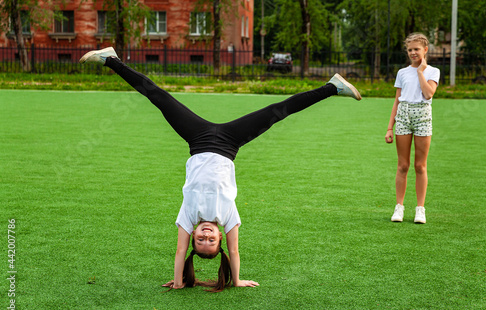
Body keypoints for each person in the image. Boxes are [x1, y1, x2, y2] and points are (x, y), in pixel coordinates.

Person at [80, 47, 362, 291]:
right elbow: (235, 251)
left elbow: (180, 251)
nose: (205, 235)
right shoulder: (228, 217)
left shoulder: (188, 217)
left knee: (159, 97)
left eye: (200, 239)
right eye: (211, 239)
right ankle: (332, 87)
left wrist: (179, 282)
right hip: (229, 143)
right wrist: (236, 280)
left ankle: (110, 60)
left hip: (198, 139)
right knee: (279, 111)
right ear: (218, 238)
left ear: (193, 237)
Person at [385, 33, 440, 224]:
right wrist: (390, 127)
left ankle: (420, 209)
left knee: (420, 165)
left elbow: (428, 93)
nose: (413, 53)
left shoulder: (433, 71)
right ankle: (399, 207)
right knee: (402, 165)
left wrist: (420, 72)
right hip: (403, 116)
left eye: (416, 49)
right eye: (410, 50)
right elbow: (396, 101)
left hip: (423, 117)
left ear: (425, 50)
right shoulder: (401, 73)